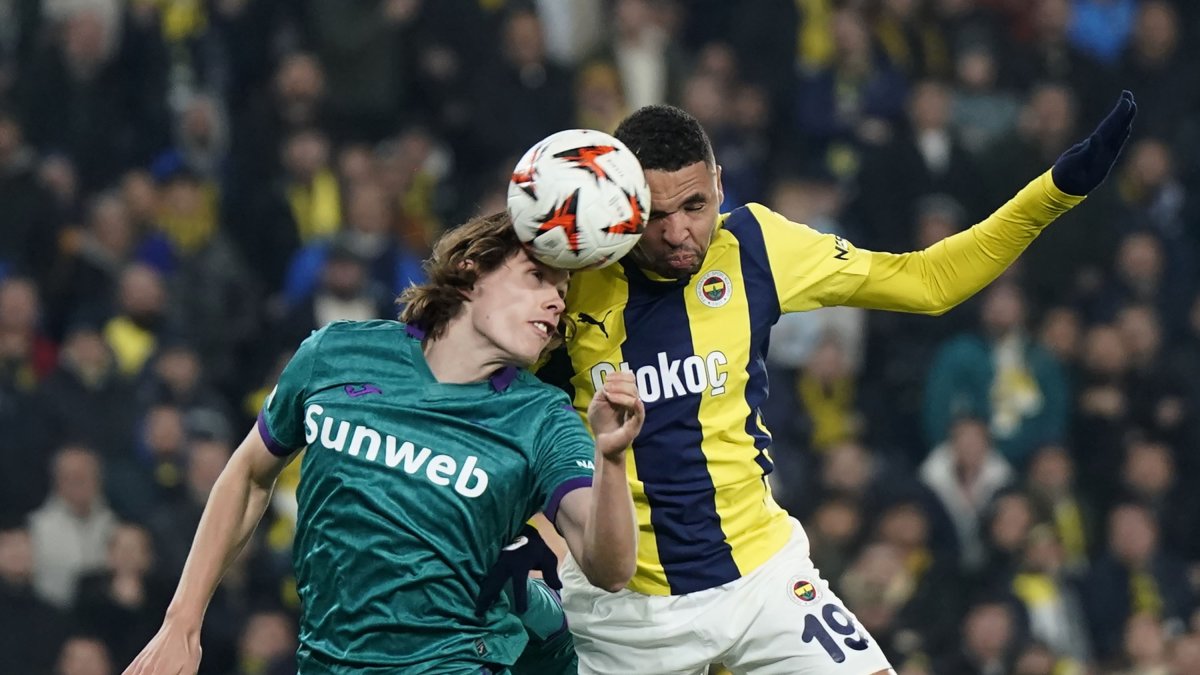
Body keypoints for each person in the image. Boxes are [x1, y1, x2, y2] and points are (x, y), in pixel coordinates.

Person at [538, 92, 1136, 674]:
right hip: (628, 610)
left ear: (719, 183)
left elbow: (928, 281)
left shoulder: (756, 246)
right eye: (656, 216)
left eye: (694, 206)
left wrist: (1055, 192)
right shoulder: (570, 280)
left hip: (759, 576)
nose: (677, 234)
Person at [123, 211, 645, 674]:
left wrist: (612, 458)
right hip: (325, 659)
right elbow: (248, 475)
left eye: (563, 291)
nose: (556, 301)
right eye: (538, 277)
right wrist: (182, 623)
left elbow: (611, 568)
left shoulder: (540, 417)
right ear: (471, 272)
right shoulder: (336, 353)